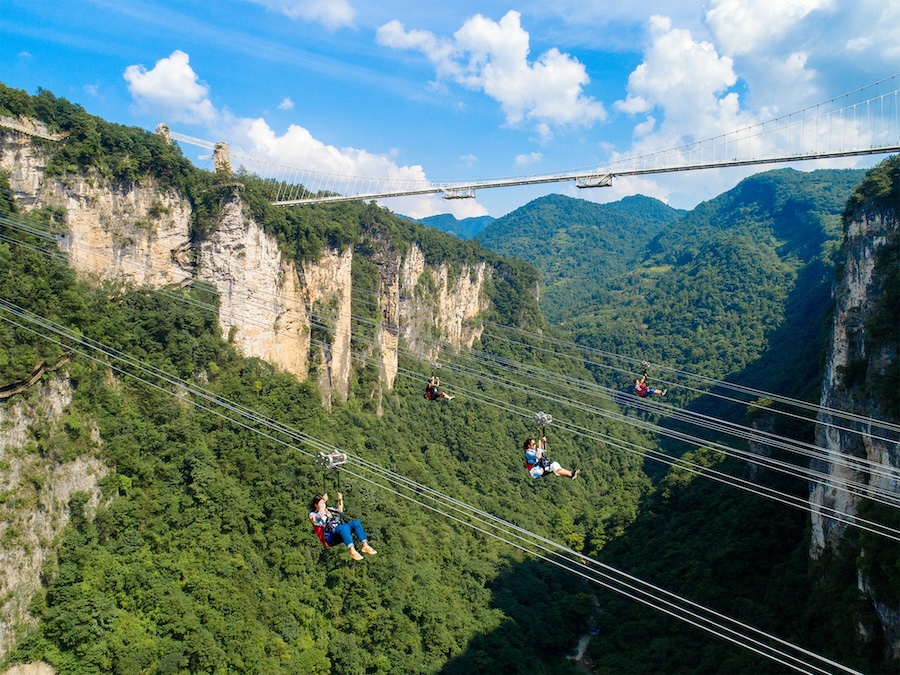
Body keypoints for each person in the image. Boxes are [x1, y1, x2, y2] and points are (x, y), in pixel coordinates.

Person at [309, 492, 377, 560]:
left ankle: (365, 545)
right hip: (329, 537)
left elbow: (339, 511)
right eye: (321, 503)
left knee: (356, 523)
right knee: (344, 527)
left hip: (338, 531)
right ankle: (352, 550)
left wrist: (340, 500)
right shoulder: (313, 515)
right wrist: (323, 502)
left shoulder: (327, 510)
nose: (323, 505)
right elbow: (320, 515)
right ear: (315, 505)